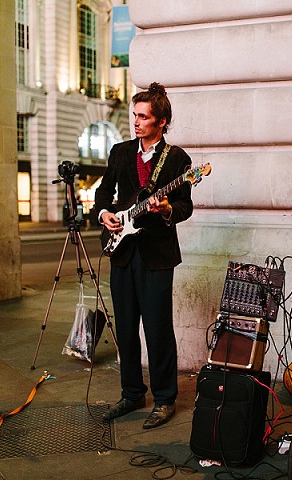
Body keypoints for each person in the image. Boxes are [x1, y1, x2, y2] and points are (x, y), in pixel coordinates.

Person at [95, 82, 193, 429]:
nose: (135, 122)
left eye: (143, 117)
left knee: (157, 328)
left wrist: (167, 209)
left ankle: (165, 399)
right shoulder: (121, 152)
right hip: (122, 250)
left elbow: (185, 206)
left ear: (162, 121)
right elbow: (105, 191)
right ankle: (132, 392)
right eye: (134, 115)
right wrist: (104, 213)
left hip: (156, 254)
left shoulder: (178, 159)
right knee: (125, 326)